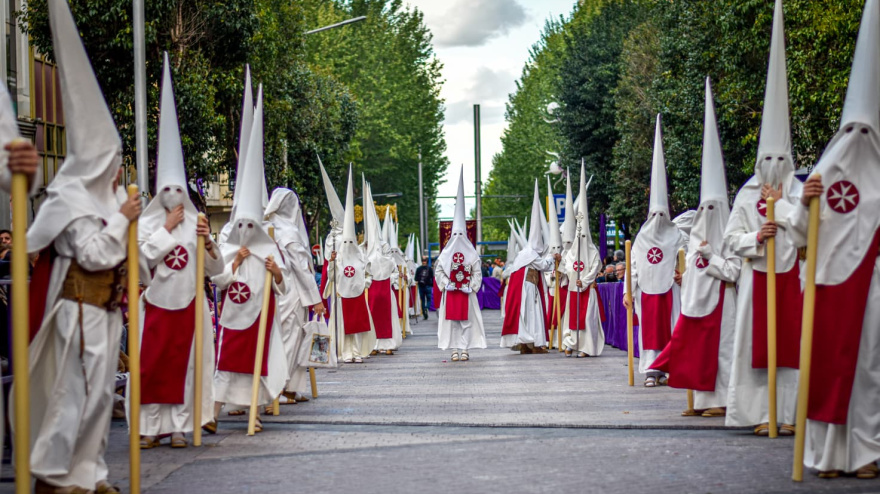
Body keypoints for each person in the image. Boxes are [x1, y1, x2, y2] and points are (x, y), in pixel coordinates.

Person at [21, 2, 141, 491]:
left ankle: (89, 474)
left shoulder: (112, 198)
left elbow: (134, 258)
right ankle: (53, 472)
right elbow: (91, 253)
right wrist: (122, 220)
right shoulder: (69, 196)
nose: (116, 168)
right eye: (111, 157)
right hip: (80, 307)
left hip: (108, 308)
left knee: (96, 399)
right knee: (75, 394)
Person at [789, 0, 880, 478]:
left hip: (872, 289)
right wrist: (805, 203)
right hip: (826, 286)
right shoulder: (820, 179)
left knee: (867, 373)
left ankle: (865, 453)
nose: (860, 137)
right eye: (852, 131)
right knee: (824, 366)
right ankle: (822, 454)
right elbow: (797, 235)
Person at [134, 56, 225, 448]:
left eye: (178, 192)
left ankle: (178, 427)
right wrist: (167, 231)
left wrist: (207, 240)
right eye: (166, 192)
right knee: (152, 366)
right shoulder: (148, 224)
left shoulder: (198, 221)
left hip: (190, 306)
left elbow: (216, 272)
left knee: (187, 367)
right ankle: (150, 428)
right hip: (154, 305)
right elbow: (140, 263)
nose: (172, 199)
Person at [724, 0, 803, 437]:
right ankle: (760, 412)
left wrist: (788, 218)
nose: (773, 164)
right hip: (757, 280)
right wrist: (758, 234)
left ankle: (791, 413)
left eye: (780, 157)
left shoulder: (798, 193)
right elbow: (730, 239)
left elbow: (815, 231)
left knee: (794, 347)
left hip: (793, 278)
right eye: (766, 157)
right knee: (755, 347)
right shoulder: (747, 193)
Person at [650, 79, 740, 418]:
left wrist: (710, 257)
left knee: (723, 351)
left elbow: (734, 270)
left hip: (724, 301)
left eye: (711, 211)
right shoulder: (693, 236)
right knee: (697, 349)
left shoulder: (729, 237)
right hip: (698, 300)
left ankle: (723, 401)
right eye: (704, 210)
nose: (706, 217)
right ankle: (701, 401)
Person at [212, 86, 289, 431]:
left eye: (249, 224)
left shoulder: (270, 246)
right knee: (226, 363)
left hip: (260, 315)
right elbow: (219, 280)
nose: (244, 229)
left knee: (255, 366)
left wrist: (274, 271)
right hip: (233, 315)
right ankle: (211, 415)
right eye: (238, 224)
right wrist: (237, 262)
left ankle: (254, 415)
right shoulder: (230, 245)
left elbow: (283, 284)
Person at [624, 114, 687, 387]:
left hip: (671, 291)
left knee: (673, 326)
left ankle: (673, 366)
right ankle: (652, 369)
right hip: (647, 292)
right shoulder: (641, 238)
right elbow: (633, 266)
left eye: (664, 212)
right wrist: (629, 290)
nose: (660, 217)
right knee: (650, 330)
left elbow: (686, 259)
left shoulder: (678, 235)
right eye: (656, 213)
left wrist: (683, 276)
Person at [264, 187, 326, 405]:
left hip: (280, 291)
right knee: (290, 341)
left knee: (293, 340)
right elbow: (302, 268)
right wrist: (316, 298)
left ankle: (291, 387)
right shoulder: (289, 232)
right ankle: (278, 388)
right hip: (292, 293)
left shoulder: (269, 228)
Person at [324, 166, 376, 363]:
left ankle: (356, 351)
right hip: (341, 297)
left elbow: (368, 274)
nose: (347, 245)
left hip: (356, 295)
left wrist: (364, 285)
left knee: (357, 326)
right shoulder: (338, 258)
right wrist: (331, 262)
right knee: (343, 325)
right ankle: (345, 352)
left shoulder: (361, 258)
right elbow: (331, 276)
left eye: (349, 242)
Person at [501, 180, 560, 353]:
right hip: (528, 289)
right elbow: (543, 265)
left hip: (525, 288)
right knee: (532, 315)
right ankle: (531, 343)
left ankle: (527, 344)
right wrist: (553, 256)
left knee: (526, 317)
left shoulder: (524, 254)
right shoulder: (530, 253)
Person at [435, 167, 487, 361]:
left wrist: (470, 286)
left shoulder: (472, 254)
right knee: (451, 322)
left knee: (467, 321)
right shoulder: (445, 253)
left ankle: (465, 349)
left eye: (460, 235)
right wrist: (446, 283)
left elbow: (477, 273)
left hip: (466, 293)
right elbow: (439, 270)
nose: (457, 238)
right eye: (454, 235)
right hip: (450, 293)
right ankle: (453, 349)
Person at [560, 166, 605, 358]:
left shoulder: (592, 250)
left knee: (587, 318)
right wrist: (573, 277)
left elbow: (596, 267)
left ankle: (587, 347)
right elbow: (568, 265)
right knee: (572, 317)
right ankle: (571, 343)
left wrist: (584, 281)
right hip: (573, 289)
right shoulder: (572, 251)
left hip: (588, 290)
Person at [363, 183, 402, 355]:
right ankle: (373, 344)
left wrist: (391, 278)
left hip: (386, 289)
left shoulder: (387, 255)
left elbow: (393, 271)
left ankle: (388, 343)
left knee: (387, 316)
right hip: (371, 290)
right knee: (372, 316)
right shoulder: (364, 252)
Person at [416, 255, 434, 319]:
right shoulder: (430, 269)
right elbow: (432, 277)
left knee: (422, 300)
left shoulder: (418, 269)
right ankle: (427, 308)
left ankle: (424, 314)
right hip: (428, 286)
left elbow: (416, 279)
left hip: (421, 286)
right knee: (429, 299)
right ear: (427, 261)